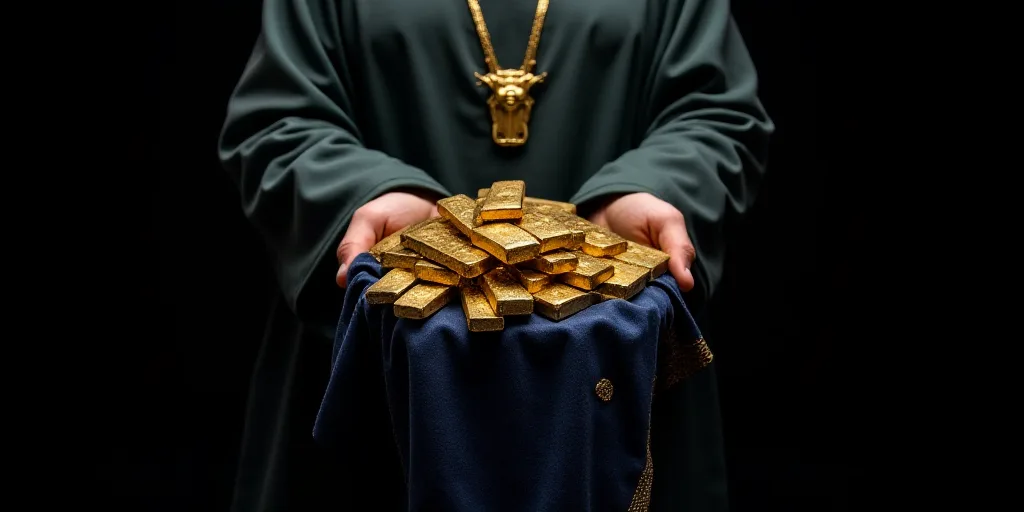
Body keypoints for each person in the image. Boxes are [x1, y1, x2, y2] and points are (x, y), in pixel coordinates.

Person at [219, 0, 772, 510]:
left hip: (618, 356)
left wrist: (649, 187)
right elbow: (278, 119)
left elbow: (716, 112)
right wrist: (368, 193)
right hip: (385, 356)